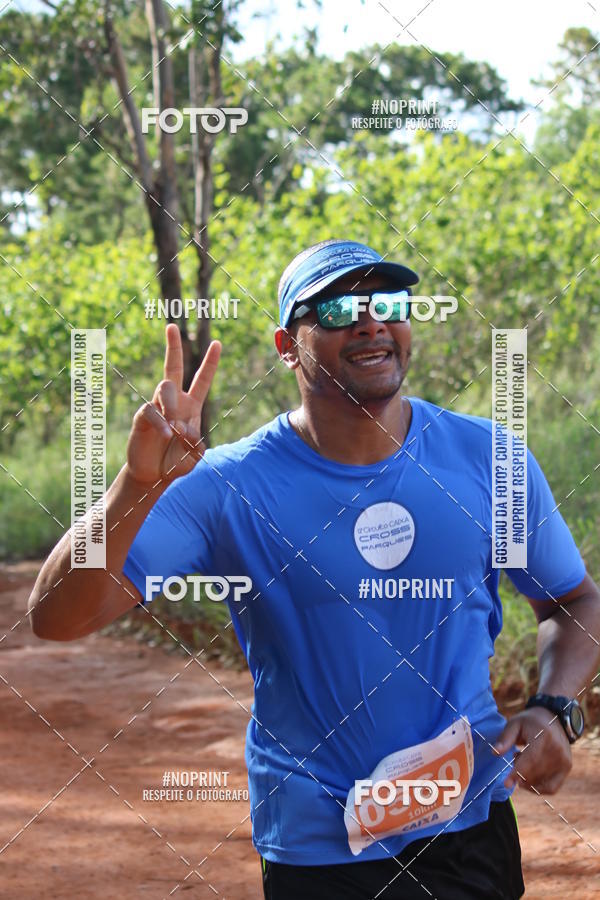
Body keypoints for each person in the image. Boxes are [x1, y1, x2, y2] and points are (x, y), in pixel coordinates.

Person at [30, 239, 600, 899]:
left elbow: (573, 602)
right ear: (285, 345)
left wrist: (558, 708)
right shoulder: (227, 486)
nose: (369, 320)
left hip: (468, 832)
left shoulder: (489, 459)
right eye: (335, 309)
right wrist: (135, 484)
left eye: (385, 301)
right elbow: (56, 618)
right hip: (318, 851)